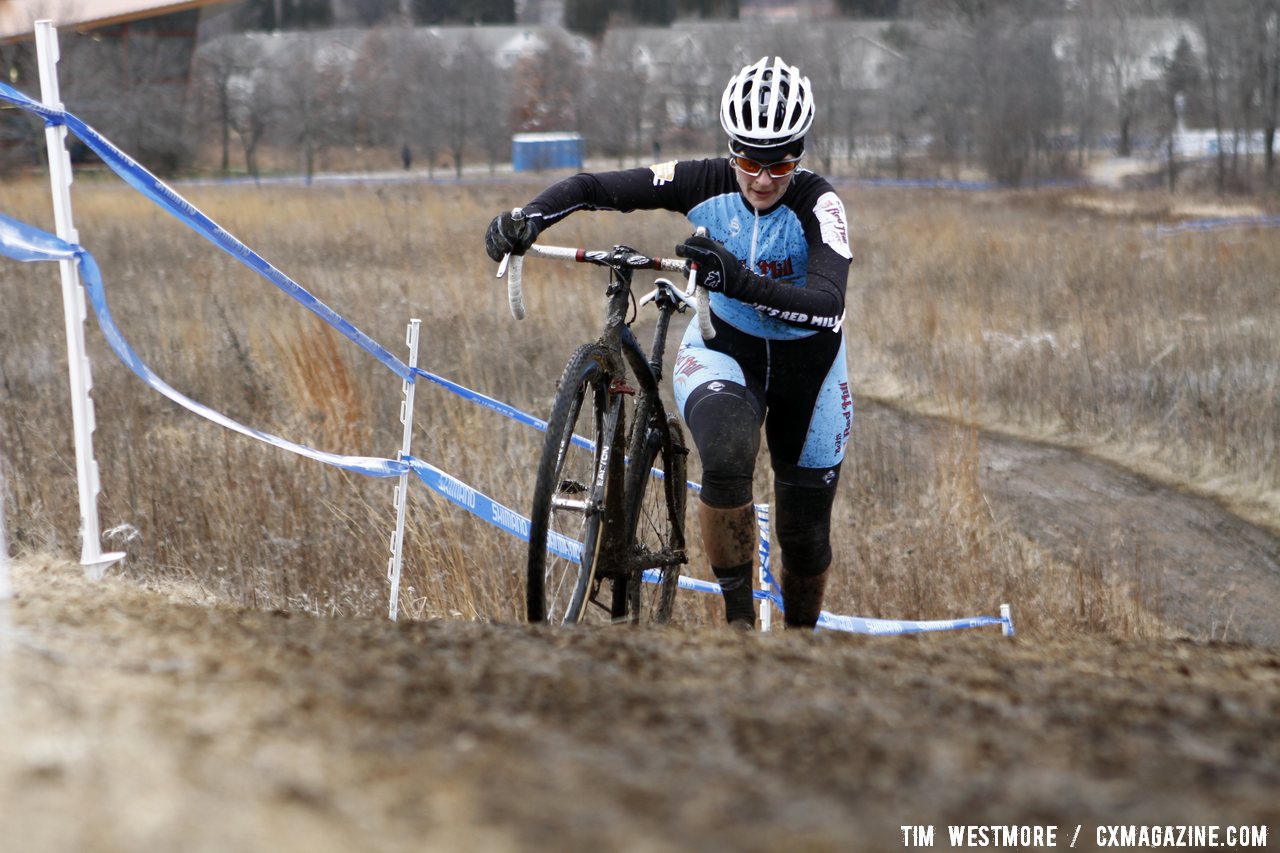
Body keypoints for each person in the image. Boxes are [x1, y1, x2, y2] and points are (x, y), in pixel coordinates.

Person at [485, 56, 852, 631]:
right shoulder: (701, 180)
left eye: (781, 160)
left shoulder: (818, 204)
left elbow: (830, 305)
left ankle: (800, 647)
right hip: (725, 349)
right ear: (729, 148)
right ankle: (738, 636)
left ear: (801, 152)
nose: (761, 177)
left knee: (804, 537)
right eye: (748, 159)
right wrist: (526, 218)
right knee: (728, 457)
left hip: (811, 369)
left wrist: (738, 279)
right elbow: (593, 187)